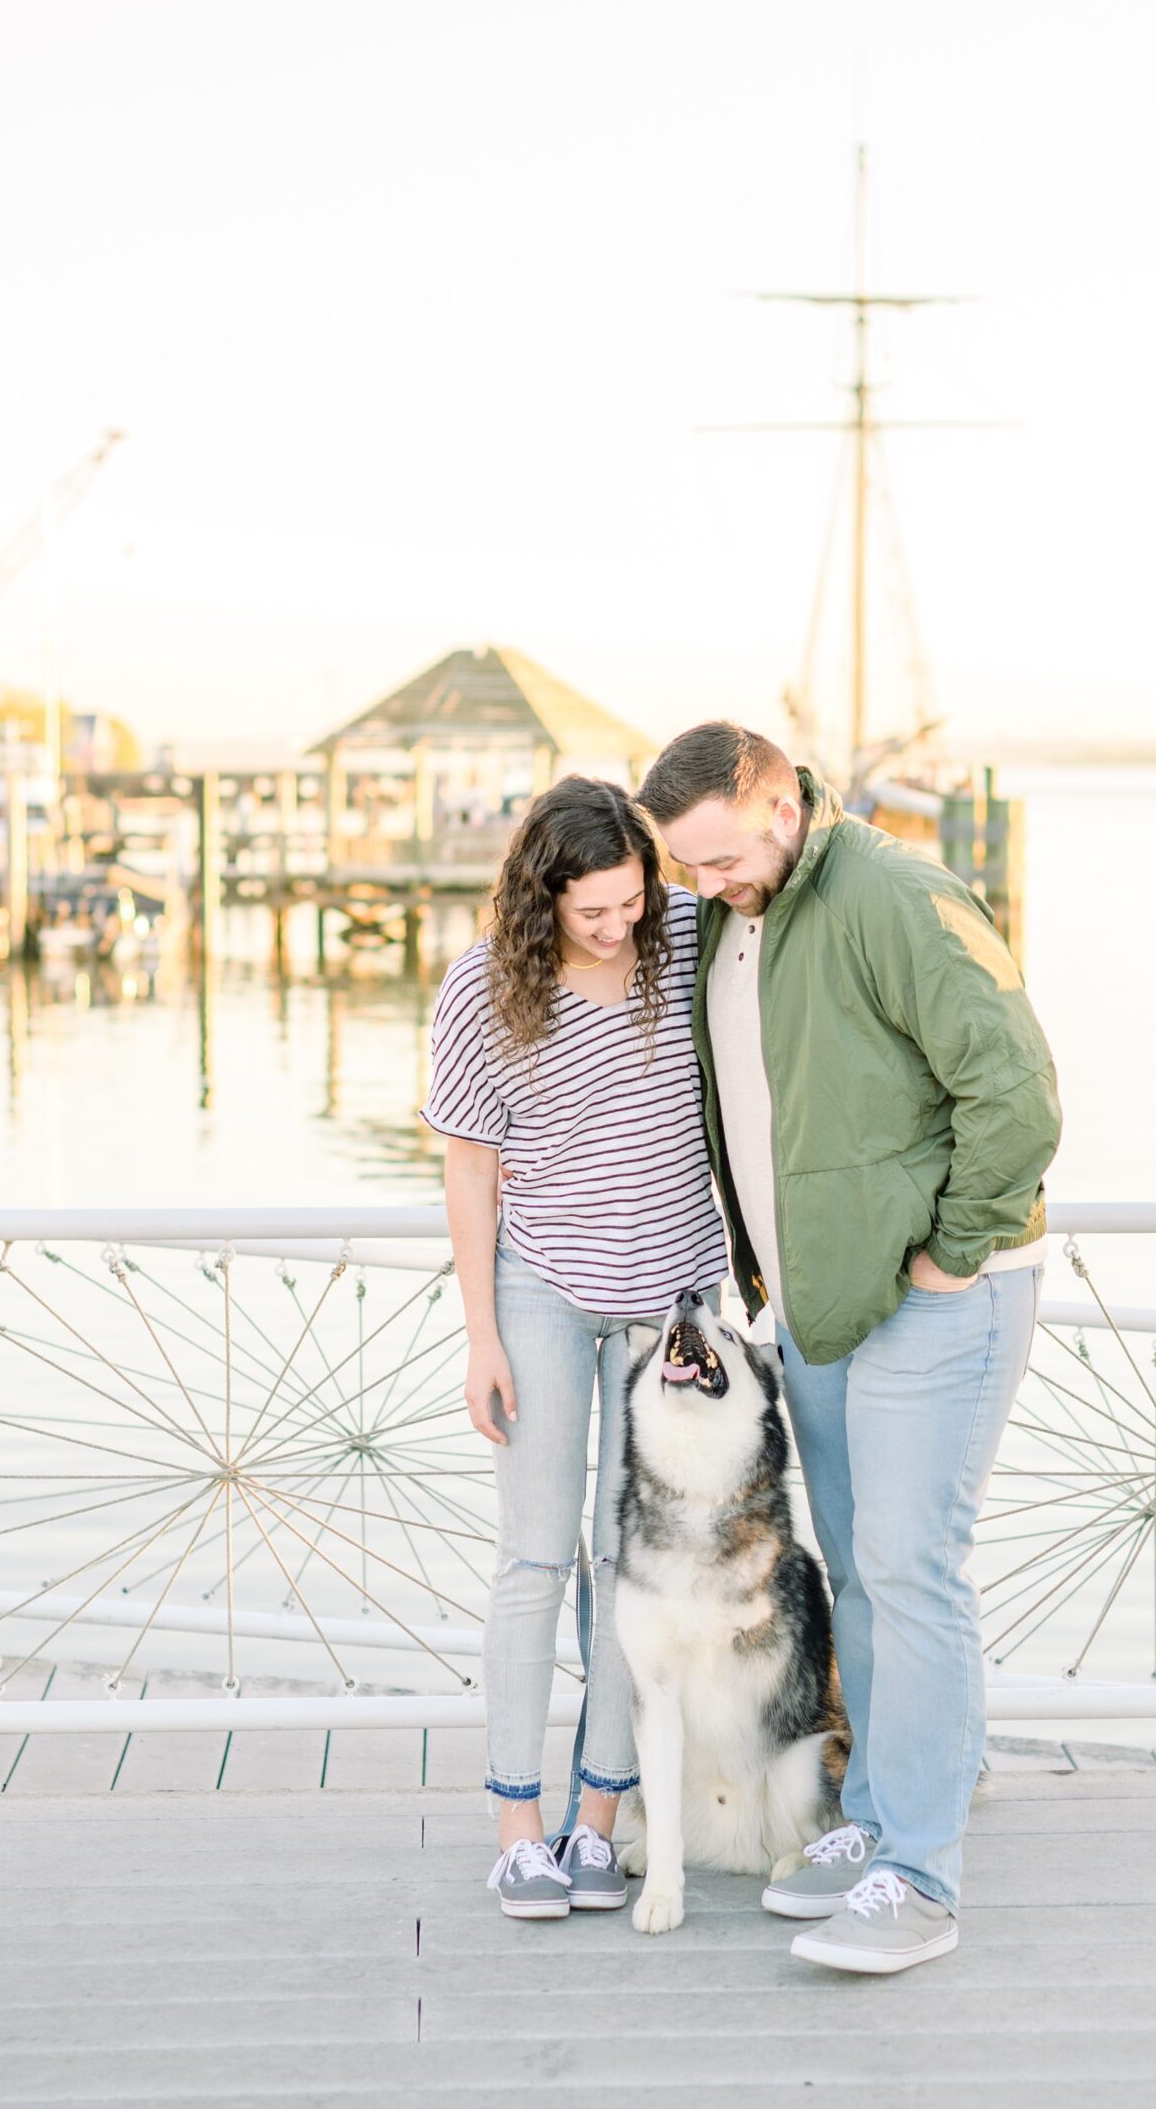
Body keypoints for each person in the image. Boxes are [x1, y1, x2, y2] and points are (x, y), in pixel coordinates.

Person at [638, 722, 1061, 1975]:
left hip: (938, 1295)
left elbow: (1018, 1093)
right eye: (686, 873)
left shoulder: (894, 895)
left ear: (777, 801)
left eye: (716, 861)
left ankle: (919, 1877)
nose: (702, 890)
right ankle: (875, 1816)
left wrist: (949, 1251)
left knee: (913, 1568)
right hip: (820, 1307)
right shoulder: (733, 913)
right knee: (863, 1577)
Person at [424, 776, 727, 1921]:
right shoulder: (481, 987)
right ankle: (516, 1829)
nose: (618, 928)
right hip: (543, 1291)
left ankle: (596, 1823)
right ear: (539, 894)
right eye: (591, 911)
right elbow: (468, 1167)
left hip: (669, 1307)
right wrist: (481, 1335)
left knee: (632, 1572)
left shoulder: (682, 936)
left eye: (631, 903)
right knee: (536, 1557)